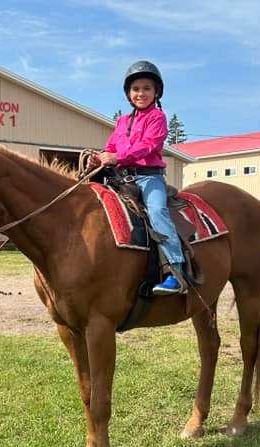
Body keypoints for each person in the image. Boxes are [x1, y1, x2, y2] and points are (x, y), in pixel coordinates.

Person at [91, 60, 186, 295]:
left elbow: (148, 146)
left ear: (156, 92)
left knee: (157, 212)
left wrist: (117, 157)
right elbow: (111, 145)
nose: (140, 93)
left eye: (146, 88)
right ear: (128, 93)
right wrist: (101, 156)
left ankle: (176, 272)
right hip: (121, 177)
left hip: (148, 178)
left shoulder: (158, 118)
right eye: (135, 89)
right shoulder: (122, 121)